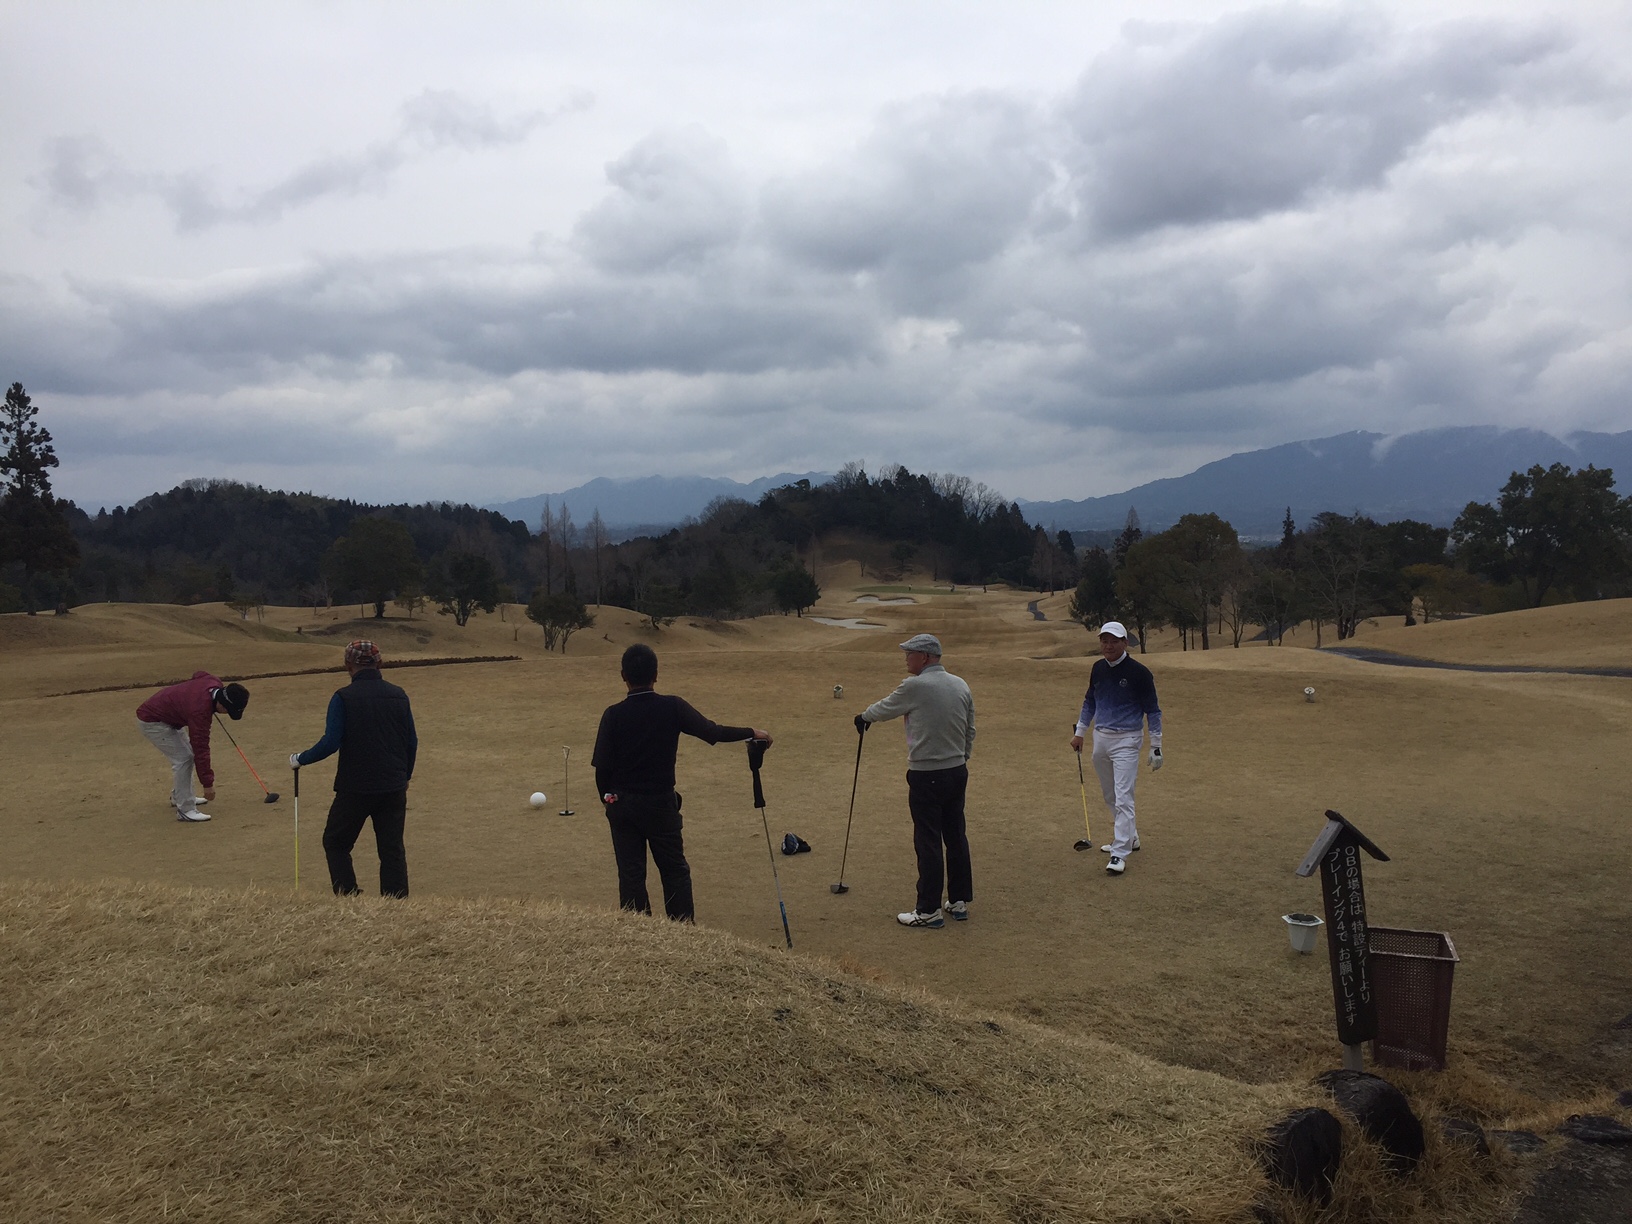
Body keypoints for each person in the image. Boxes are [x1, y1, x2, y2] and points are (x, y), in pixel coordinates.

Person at [591, 644, 770, 922]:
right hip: (661, 804)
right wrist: (752, 732)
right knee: (674, 870)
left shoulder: (612, 714)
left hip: (623, 805)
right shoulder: (672, 706)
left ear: (623, 675)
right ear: (656, 674)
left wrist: (608, 800)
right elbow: (712, 732)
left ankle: (636, 933)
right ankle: (682, 932)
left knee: (631, 874)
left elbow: (602, 770)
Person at [857, 633, 976, 929]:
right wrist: (961, 758)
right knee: (955, 836)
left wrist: (863, 717)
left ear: (924, 657)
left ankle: (928, 910)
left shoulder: (915, 686)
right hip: (957, 770)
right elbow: (970, 729)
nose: (906, 659)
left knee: (928, 840)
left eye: (909, 654)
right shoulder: (960, 684)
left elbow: (885, 708)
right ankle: (958, 901)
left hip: (926, 774)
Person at [289, 640, 418, 898]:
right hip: (393, 786)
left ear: (348, 665)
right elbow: (411, 742)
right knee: (391, 849)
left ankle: (348, 898)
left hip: (355, 787)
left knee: (335, 842)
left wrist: (300, 758)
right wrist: (405, 776)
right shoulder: (399, 695)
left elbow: (331, 742)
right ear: (379, 663)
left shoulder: (343, 697)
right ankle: (396, 905)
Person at [1070, 620, 1163, 876]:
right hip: (1101, 738)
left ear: (1125, 643)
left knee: (1123, 797)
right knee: (1110, 794)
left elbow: (1153, 711)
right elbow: (1090, 701)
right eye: (1104, 641)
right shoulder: (1098, 668)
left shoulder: (1139, 673)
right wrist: (1080, 733)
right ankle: (1130, 837)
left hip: (1127, 740)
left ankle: (1119, 852)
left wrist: (1156, 745)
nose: (1108, 646)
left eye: (1114, 641)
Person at [136, 672, 249, 822]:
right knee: (183, 759)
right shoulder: (199, 712)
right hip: (152, 721)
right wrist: (207, 784)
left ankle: (180, 796)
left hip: (167, 718)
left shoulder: (212, 681)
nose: (226, 713)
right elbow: (200, 748)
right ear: (221, 704)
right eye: (228, 710)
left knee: (186, 756)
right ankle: (186, 810)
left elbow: (199, 674)